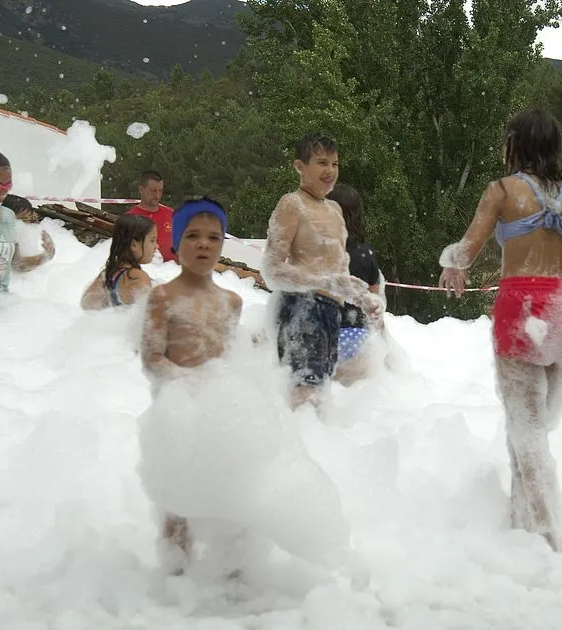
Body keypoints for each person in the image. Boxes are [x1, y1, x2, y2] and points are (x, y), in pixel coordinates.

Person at [437, 108, 562, 551]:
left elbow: (467, 249)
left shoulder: (502, 191)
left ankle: (548, 537)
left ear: (515, 145)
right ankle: (520, 523)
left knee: (526, 428)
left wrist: (451, 264)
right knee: (534, 427)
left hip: (521, 309)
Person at [139, 197, 242, 574]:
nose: (204, 245)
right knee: (178, 498)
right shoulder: (163, 297)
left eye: (214, 237)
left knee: (228, 490)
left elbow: (231, 357)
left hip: (218, 409)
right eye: (193, 235)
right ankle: (175, 575)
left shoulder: (232, 302)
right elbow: (152, 358)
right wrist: (189, 382)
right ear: (176, 242)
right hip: (177, 410)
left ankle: (233, 569)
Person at [260, 132, 382, 408]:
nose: (330, 171)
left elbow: (339, 272)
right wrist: (324, 282)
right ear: (299, 166)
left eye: (335, 164)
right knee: (305, 395)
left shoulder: (335, 210)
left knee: (320, 394)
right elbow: (271, 270)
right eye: (321, 163)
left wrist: (363, 299)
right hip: (300, 307)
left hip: (330, 312)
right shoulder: (292, 204)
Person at [0, 149, 55, 334]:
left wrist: (45, 256)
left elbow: (16, 264)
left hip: (0, 309)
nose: (3, 192)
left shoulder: (8, 217)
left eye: (8, 185)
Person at [325, 182, 390, 385]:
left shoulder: (319, 252)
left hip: (325, 333)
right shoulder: (365, 254)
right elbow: (374, 305)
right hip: (358, 337)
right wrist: (386, 345)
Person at [80, 214, 157, 310]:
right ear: (133, 244)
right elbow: (151, 315)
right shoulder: (138, 278)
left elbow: (86, 305)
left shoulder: (107, 274)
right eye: (152, 241)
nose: (156, 246)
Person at [126, 170, 175, 262]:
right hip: (147, 269)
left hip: (176, 268)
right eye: (153, 191)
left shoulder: (171, 214)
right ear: (141, 189)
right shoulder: (130, 219)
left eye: (160, 190)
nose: (157, 195)